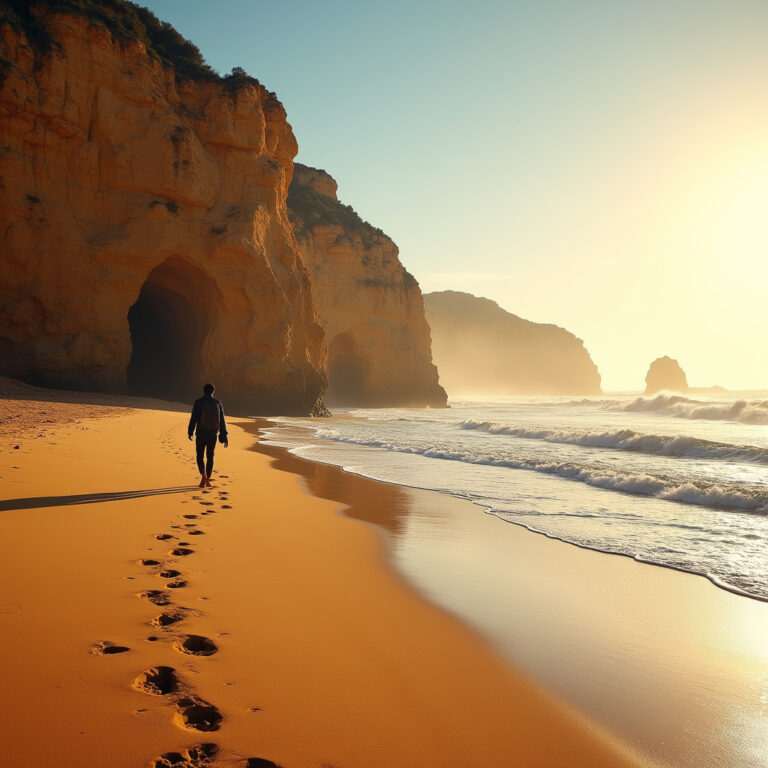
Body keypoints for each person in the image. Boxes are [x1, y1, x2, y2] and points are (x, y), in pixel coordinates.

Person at [188, 383, 228, 487]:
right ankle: (208, 479)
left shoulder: (198, 402)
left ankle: (203, 475)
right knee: (210, 456)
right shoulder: (218, 403)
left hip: (201, 433)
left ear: (203, 391)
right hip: (213, 434)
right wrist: (224, 434)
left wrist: (190, 431)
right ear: (213, 391)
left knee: (200, 456)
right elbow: (222, 420)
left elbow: (194, 418)